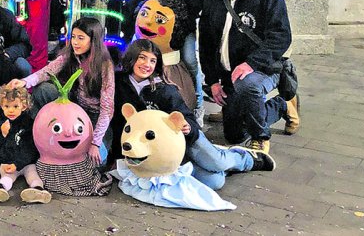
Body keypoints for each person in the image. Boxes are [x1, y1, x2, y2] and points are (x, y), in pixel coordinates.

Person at [111, 40, 275, 190]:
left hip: (187, 140)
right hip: (159, 152)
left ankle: (246, 159)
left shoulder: (165, 90)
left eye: (152, 61)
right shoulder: (117, 83)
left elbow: (188, 118)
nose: (147, 65)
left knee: (218, 162)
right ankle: (217, 163)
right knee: (215, 182)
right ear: (132, 57)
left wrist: (187, 127)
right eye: (142, 58)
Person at [200, 0, 298, 154]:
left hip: (262, 68)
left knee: (248, 85)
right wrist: (213, 82)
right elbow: (206, 44)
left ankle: (260, 137)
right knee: (234, 135)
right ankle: (281, 105)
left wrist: (251, 64)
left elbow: (281, 37)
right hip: (229, 74)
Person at [8, 17, 114, 166]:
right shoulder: (70, 56)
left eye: (81, 38)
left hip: (95, 117)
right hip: (72, 108)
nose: (75, 42)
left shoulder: (105, 65)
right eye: (73, 37)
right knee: (43, 90)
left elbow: (107, 109)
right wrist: (24, 82)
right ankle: (34, 138)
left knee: (98, 161)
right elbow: (47, 72)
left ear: (93, 40)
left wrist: (95, 143)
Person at [0, 86, 49, 204]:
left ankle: (38, 190)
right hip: (7, 161)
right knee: (7, 175)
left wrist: (18, 163)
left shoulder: (28, 122)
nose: (11, 110)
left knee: (32, 173)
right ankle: (0, 188)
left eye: (15, 106)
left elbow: (30, 148)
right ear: (1, 105)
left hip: (25, 161)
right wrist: (2, 134)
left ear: (24, 106)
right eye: (7, 106)